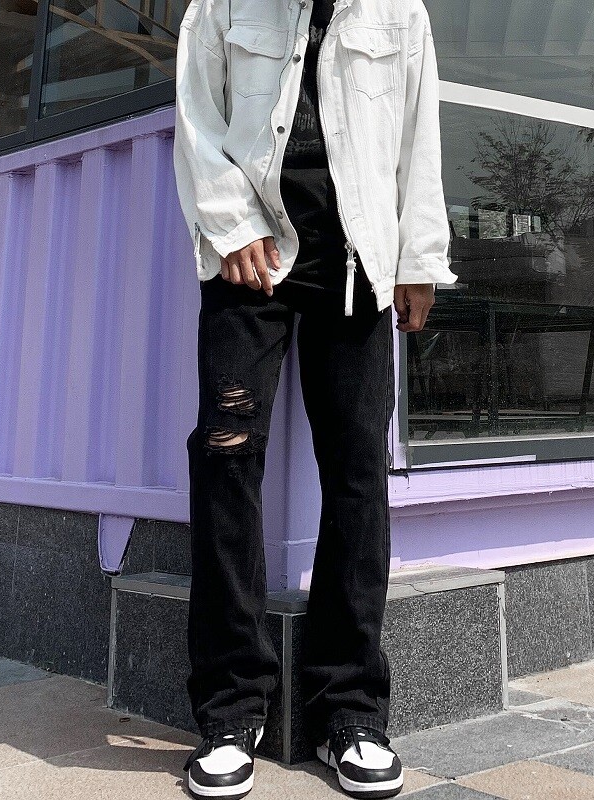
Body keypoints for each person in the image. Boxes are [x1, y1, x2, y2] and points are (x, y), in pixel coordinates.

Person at [173, 0, 457, 797]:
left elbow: (419, 138)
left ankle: (350, 711)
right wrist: (228, 224)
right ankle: (231, 709)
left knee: (359, 469)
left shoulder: (400, 12)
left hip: (358, 261)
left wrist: (418, 258)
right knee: (225, 456)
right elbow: (196, 112)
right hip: (250, 257)